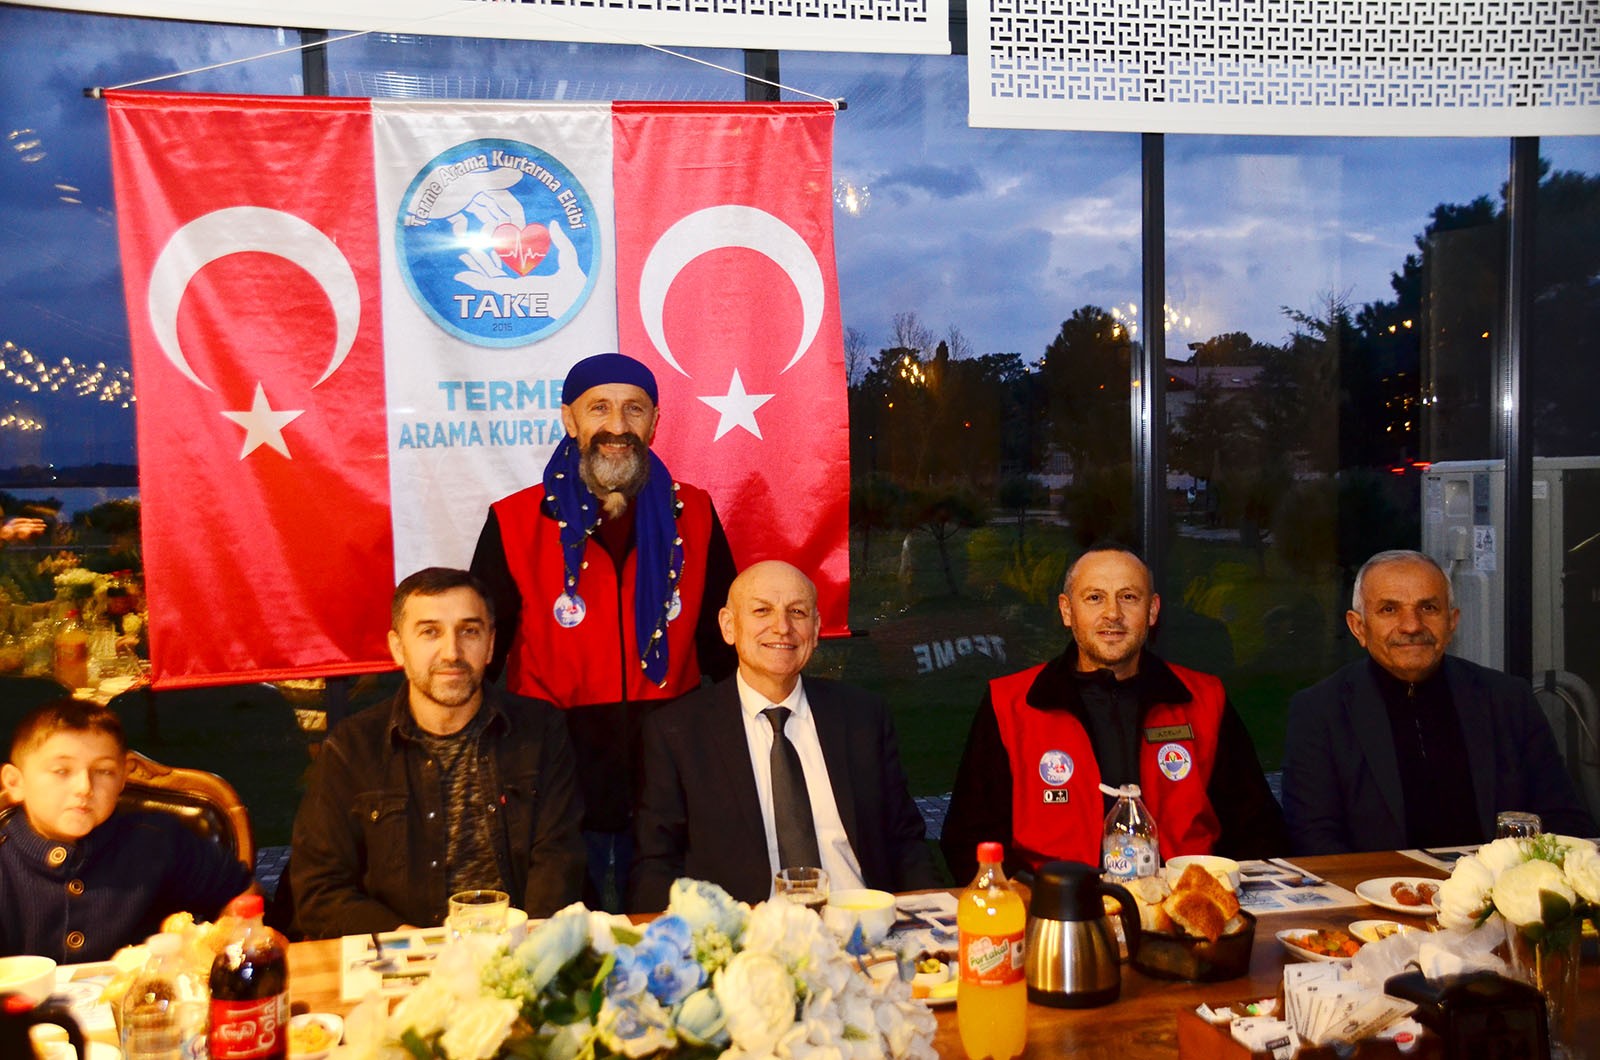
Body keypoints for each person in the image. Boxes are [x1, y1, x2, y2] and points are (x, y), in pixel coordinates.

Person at [471, 352, 736, 908]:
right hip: (555, 768)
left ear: (655, 421)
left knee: (673, 929)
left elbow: (723, 646)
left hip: (668, 766)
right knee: (563, 934)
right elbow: (482, 658)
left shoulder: (695, 513)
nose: (618, 426)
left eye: (634, 409)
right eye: (599, 408)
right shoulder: (515, 521)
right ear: (570, 419)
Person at [941, 545, 1287, 881]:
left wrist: (1209, 896)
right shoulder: (1010, 704)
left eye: (1129, 597)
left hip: (1179, 905)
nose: (1112, 614)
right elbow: (968, 838)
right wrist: (1029, 898)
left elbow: (1258, 830)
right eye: (1095, 597)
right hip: (1055, 910)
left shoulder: (1205, 700)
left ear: (1152, 611)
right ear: (1067, 611)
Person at [290, 568, 585, 938]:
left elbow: (560, 862)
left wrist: (523, 952)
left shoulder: (541, 732)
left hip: (518, 952)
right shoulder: (352, 748)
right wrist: (420, 946)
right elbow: (319, 890)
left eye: (469, 631)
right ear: (398, 647)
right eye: (430, 632)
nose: (452, 652)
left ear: (491, 644)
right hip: (403, 958)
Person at [631, 560, 939, 911]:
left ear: (816, 628)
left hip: (861, 924)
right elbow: (655, 864)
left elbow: (905, 842)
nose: (782, 627)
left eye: (797, 612)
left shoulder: (862, 717)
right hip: (747, 935)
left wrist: (933, 917)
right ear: (729, 626)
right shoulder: (678, 733)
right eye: (762, 610)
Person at [1282, 549, 1595, 854]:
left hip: (1495, 885)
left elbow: (1566, 822)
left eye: (1429, 608)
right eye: (1389, 610)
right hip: (1377, 886)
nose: (1412, 626)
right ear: (1358, 627)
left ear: (1452, 622)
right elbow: (1312, 840)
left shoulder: (1508, 700)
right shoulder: (1320, 712)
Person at [0, 699, 254, 962]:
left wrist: (227, 945)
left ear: (122, 778)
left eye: (104, 771)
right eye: (61, 771)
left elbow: (241, 893)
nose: (84, 787)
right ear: (15, 783)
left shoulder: (158, 841)